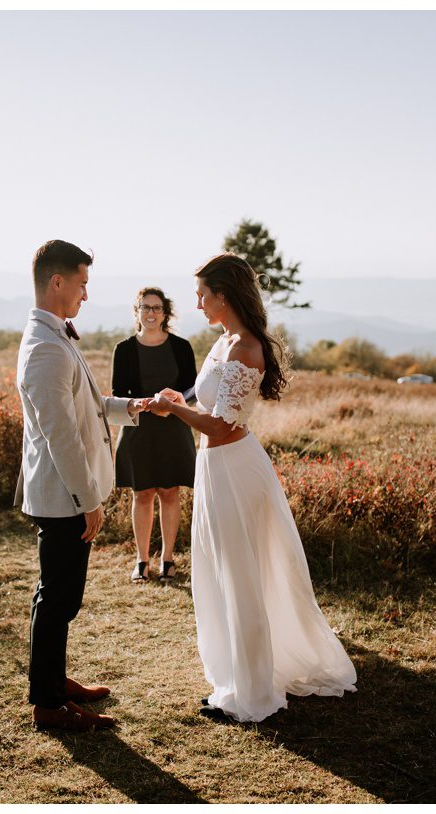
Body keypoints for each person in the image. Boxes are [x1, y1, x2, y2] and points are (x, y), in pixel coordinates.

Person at [150, 254, 356, 723]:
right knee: (220, 573)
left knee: (242, 576)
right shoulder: (222, 341)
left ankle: (253, 695)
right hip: (213, 467)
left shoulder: (246, 349)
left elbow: (222, 426)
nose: (198, 304)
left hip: (234, 468)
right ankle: (234, 676)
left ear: (224, 296)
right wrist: (174, 401)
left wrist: (176, 412)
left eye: (203, 295)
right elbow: (206, 402)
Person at [14, 240, 164, 733]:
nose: (85, 294)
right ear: (57, 282)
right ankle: (49, 705)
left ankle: (55, 682)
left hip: (66, 495)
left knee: (60, 597)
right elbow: (61, 436)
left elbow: (85, 403)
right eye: (81, 283)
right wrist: (88, 501)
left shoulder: (57, 339)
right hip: (62, 496)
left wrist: (133, 407)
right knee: (57, 598)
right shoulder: (43, 348)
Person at [111, 287, 197, 583]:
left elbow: (192, 390)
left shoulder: (182, 347)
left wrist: (171, 405)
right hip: (138, 429)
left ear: (165, 313)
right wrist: (146, 406)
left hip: (174, 426)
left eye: (156, 308)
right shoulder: (123, 349)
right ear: (137, 311)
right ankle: (141, 560)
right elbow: (118, 394)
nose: (151, 313)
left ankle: (168, 559)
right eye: (145, 307)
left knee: (170, 492)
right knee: (142, 493)